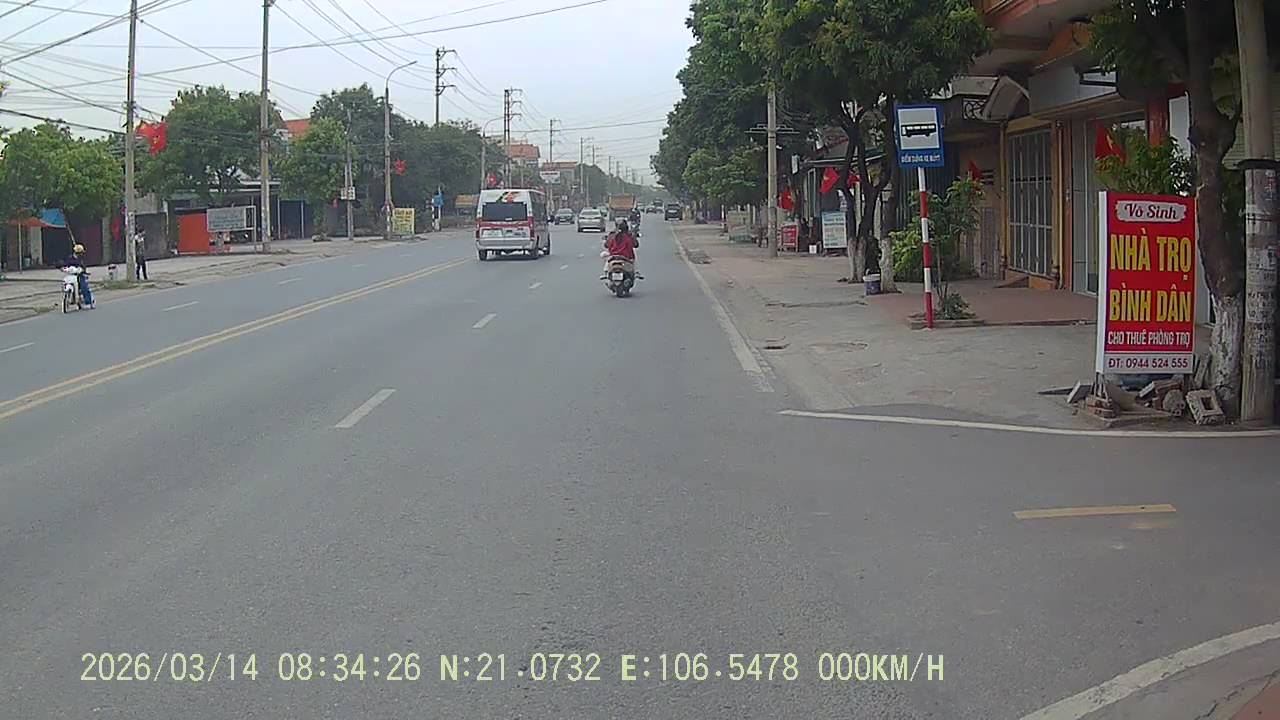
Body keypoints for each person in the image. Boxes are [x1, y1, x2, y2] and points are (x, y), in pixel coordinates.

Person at [62, 243, 94, 308]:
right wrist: (63, 268)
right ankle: (70, 297)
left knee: (84, 287)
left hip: (79, 275)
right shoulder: (70, 258)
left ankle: (88, 301)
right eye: (80, 253)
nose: (81, 254)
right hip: (71, 275)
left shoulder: (81, 259)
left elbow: (83, 266)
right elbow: (65, 264)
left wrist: (83, 270)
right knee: (65, 283)